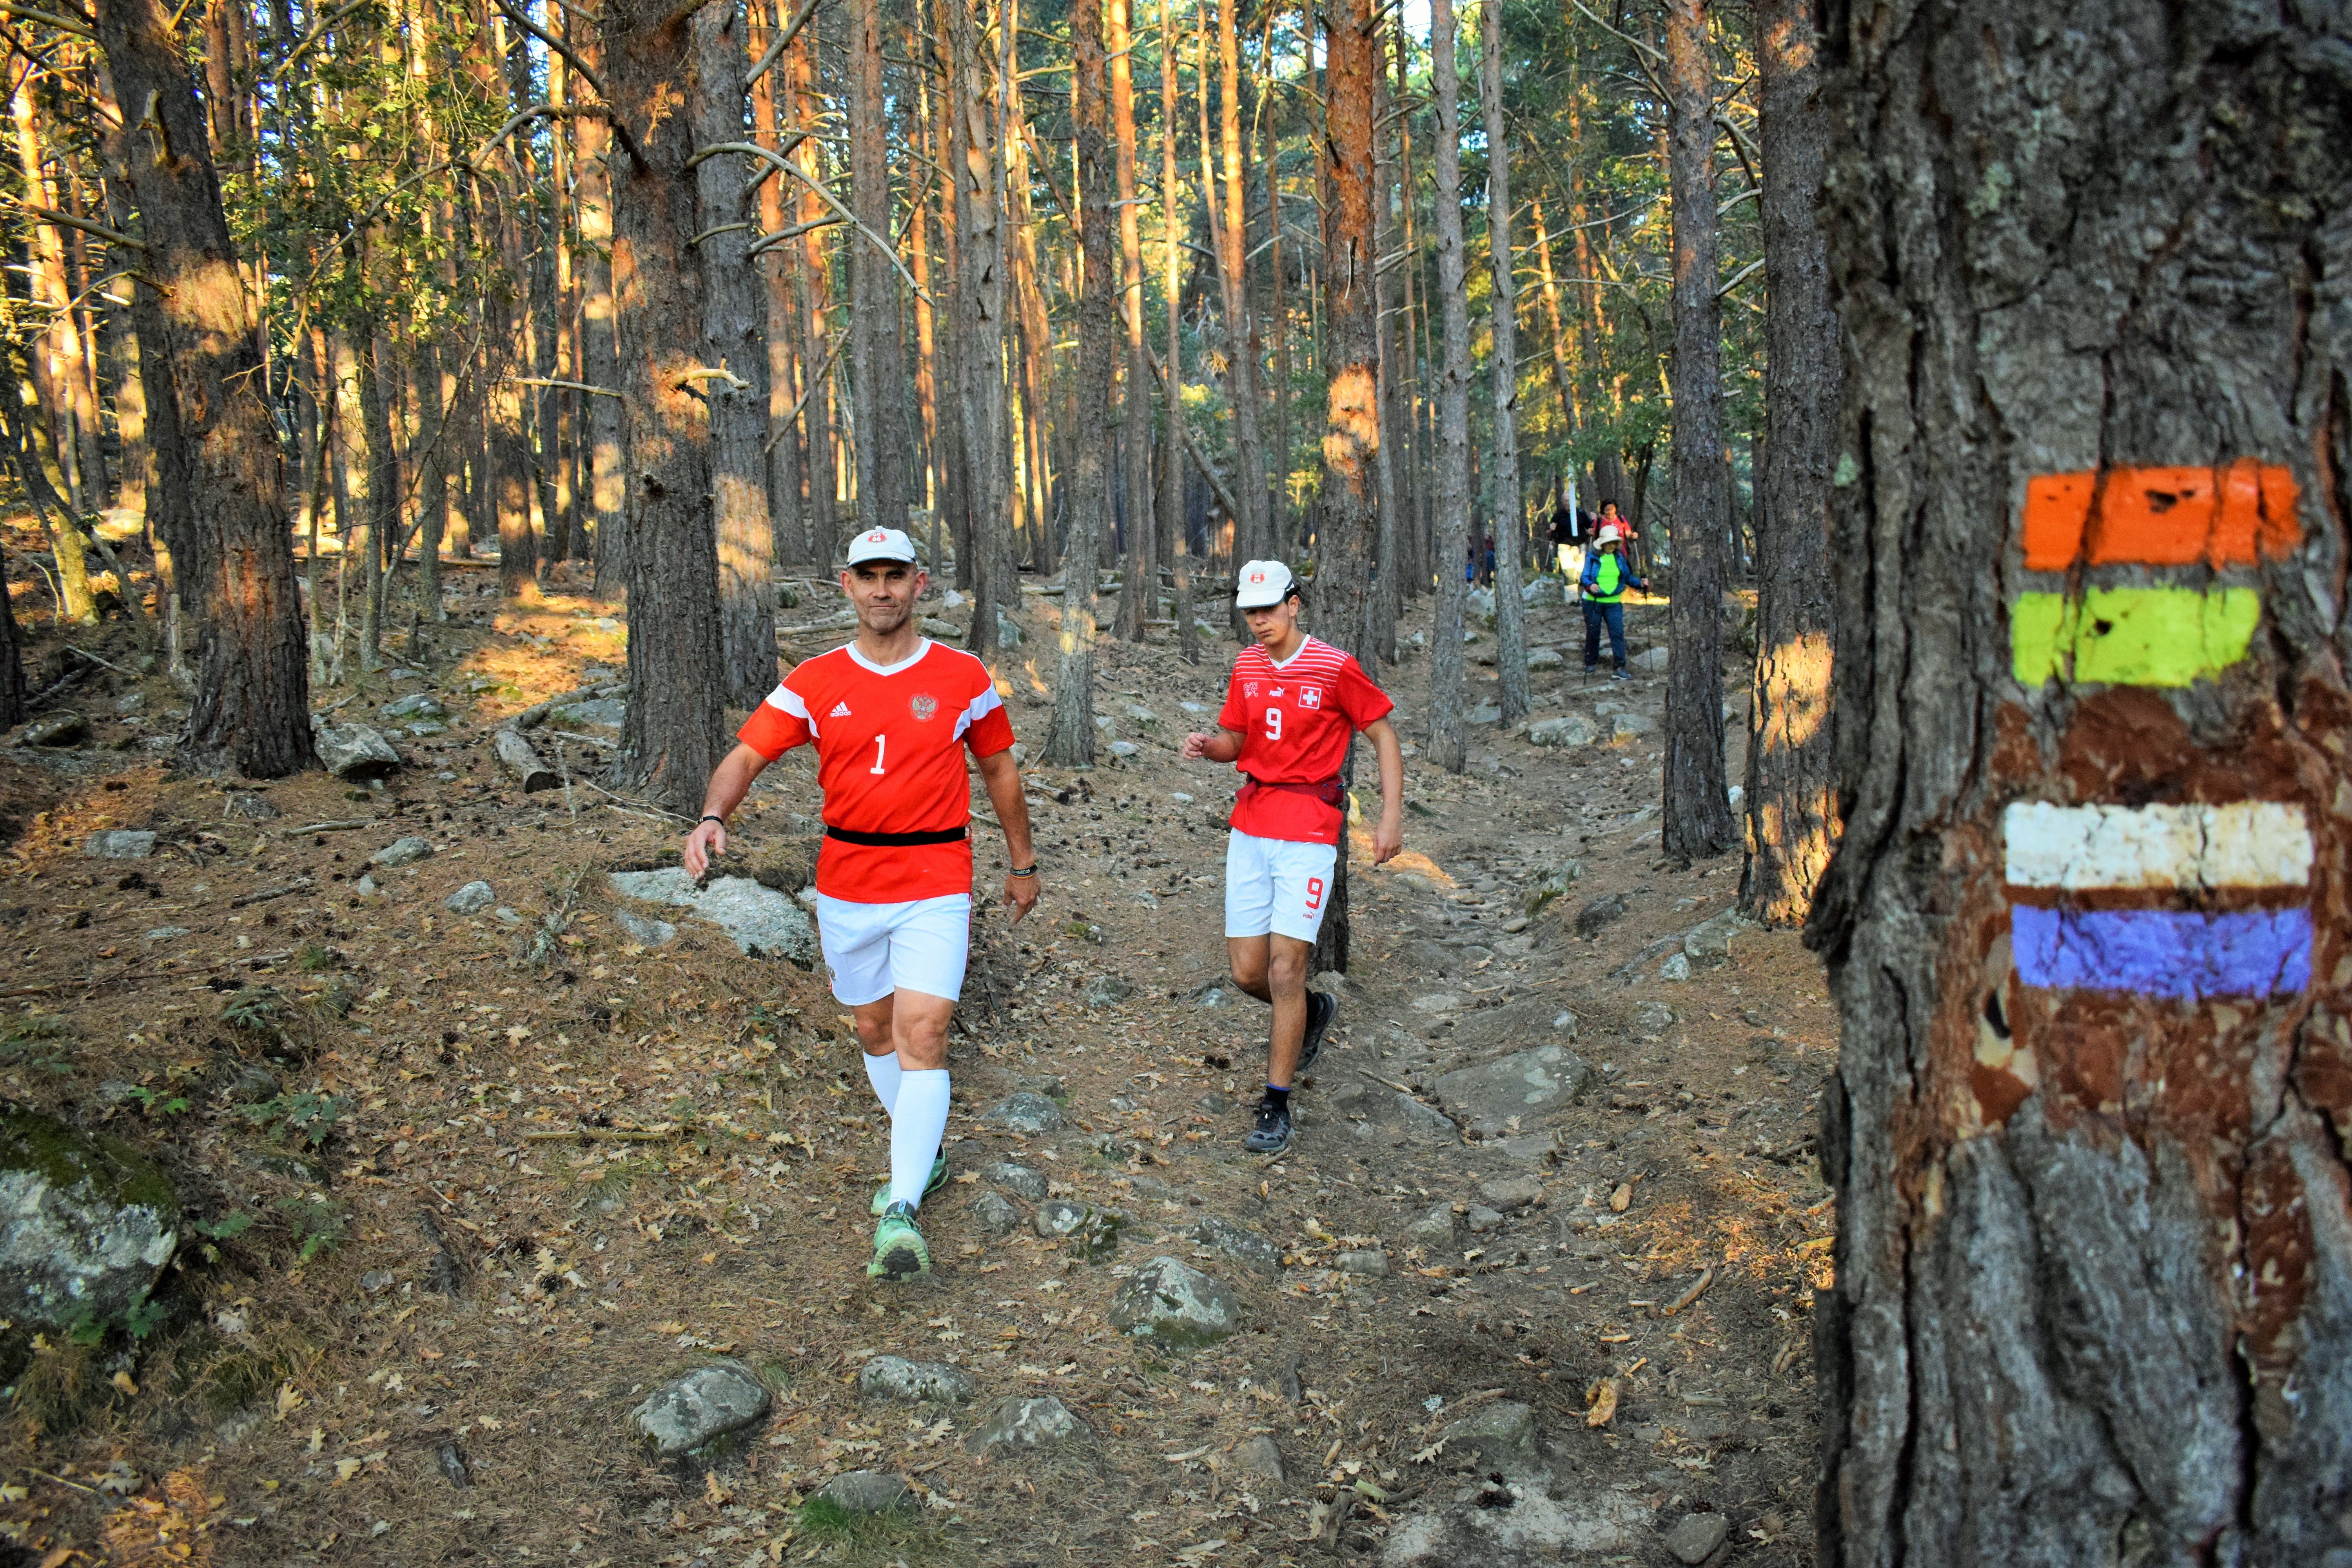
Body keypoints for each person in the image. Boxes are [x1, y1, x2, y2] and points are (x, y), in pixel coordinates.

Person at [682, 526, 1040, 1281]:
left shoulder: (962, 674)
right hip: (846, 878)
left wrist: (1022, 862)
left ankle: (901, 1210)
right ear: (845, 585)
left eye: (896, 575)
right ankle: (927, 1153)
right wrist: (714, 816)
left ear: (922, 584)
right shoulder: (814, 680)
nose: (883, 589)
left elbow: (1001, 769)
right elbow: (748, 753)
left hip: (936, 875)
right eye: (868, 576)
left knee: (924, 1033)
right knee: (876, 1029)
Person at [1180, 561, 1405, 1154]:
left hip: (1309, 825)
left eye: (1268, 609)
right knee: (1248, 973)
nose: (1259, 622)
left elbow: (1382, 732)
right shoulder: (1248, 664)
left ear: (1294, 605)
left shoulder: (1334, 666)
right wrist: (1211, 747)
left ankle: (1275, 1106)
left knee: (1284, 970)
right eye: (1250, 611)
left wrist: (1389, 816)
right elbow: (1238, 740)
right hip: (1252, 823)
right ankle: (1313, 1010)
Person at [1581, 524, 1648, 680]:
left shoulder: (1619, 558)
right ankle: (1591, 663)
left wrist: (1640, 584)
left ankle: (1620, 667)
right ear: (1603, 543)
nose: (1611, 545)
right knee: (1593, 633)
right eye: (1608, 542)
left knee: (1617, 633)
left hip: (1614, 602)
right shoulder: (1592, 557)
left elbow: (1628, 577)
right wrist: (1591, 586)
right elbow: (1584, 577)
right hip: (1593, 601)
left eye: (1614, 543)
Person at [1549, 494, 1587, 596]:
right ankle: (1571, 600)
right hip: (1564, 547)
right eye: (1566, 501)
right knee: (1569, 573)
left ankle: (1581, 597)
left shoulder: (1581, 513)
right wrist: (1551, 530)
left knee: (1580, 574)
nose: (1568, 503)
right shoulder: (1559, 515)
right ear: (1563, 502)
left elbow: (1590, 526)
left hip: (1580, 547)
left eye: (1570, 500)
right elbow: (1550, 533)